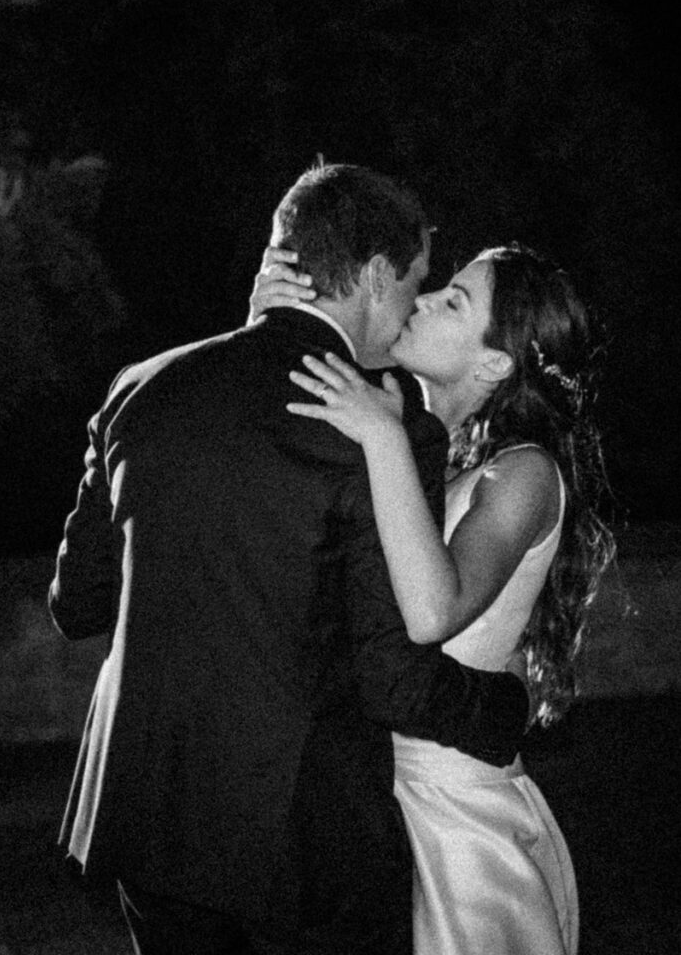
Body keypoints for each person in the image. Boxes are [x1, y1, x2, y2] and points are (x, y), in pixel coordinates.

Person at [48, 164, 529, 955]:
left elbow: (77, 605)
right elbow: (393, 677)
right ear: (376, 275)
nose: (412, 308)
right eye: (415, 284)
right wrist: (507, 710)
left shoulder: (143, 388)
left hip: (146, 820)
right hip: (301, 841)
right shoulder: (383, 425)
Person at [253, 242, 615, 954]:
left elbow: (430, 613)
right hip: (365, 792)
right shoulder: (410, 441)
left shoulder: (522, 475)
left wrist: (382, 439)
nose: (419, 301)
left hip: (456, 813)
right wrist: (274, 318)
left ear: (492, 364)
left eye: (453, 301)